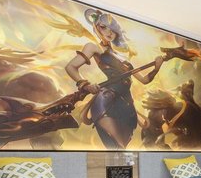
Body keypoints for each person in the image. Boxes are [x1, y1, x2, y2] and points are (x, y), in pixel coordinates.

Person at [65, 8, 167, 149]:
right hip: (108, 100)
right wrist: (86, 85)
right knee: (118, 147)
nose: (109, 32)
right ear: (96, 28)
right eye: (104, 27)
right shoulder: (93, 47)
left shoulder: (122, 57)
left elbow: (144, 80)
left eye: (112, 29)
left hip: (127, 104)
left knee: (122, 147)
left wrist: (156, 68)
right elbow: (71, 67)